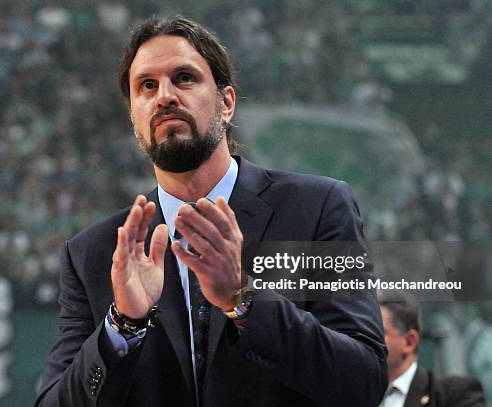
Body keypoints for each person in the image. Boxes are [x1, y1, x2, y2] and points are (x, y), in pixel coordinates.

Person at [36, 17, 387, 407]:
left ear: (226, 103)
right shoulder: (93, 253)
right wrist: (123, 325)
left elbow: (363, 383)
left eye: (184, 78)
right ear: (134, 116)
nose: (164, 96)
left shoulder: (317, 208)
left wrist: (244, 301)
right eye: (146, 86)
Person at [379, 290, 485, 407]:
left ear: (409, 342)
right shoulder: (358, 393)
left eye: (376, 332)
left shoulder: (456, 395)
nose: (365, 340)